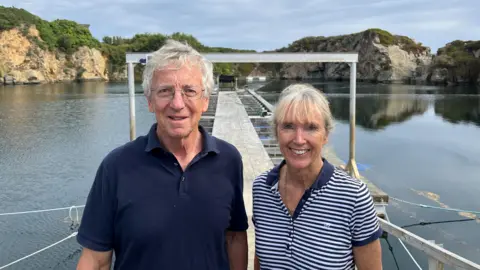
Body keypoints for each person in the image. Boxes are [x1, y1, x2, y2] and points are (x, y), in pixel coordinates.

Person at [76, 39, 249, 270]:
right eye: (165, 91)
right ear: (149, 101)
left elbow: (235, 237)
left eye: (189, 91)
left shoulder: (229, 160)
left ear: (205, 100)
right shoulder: (116, 167)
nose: (177, 104)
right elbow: (96, 260)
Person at [252, 83, 383, 270]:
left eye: (311, 128)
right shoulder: (262, 188)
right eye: (288, 126)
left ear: (326, 135)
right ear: (276, 131)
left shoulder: (353, 197)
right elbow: (262, 259)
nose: (298, 139)